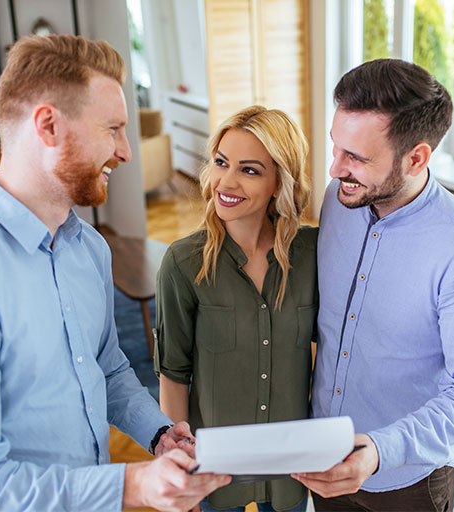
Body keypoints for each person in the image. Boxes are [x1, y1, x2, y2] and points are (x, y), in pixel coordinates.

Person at [0, 34, 230, 511]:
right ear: (48, 125)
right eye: (112, 128)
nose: (126, 151)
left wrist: (157, 434)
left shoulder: (88, 248)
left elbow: (107, 368)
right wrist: (132, 485)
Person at [292, 59, 454, 511]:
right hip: (325, 457)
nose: (334, 170)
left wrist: (378, 451)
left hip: (407, 482)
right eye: (336, 147)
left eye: (355, 157)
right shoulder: (341, 199)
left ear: (417, 157)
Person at [155, 105, 317, 512]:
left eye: (249, 170)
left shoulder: (315, 254)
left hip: (290, 465)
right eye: (221, 163)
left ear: (279, 182)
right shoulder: (182, 263)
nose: (224, 182)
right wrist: (179, 467)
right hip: (213, 466)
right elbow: (173, 374)